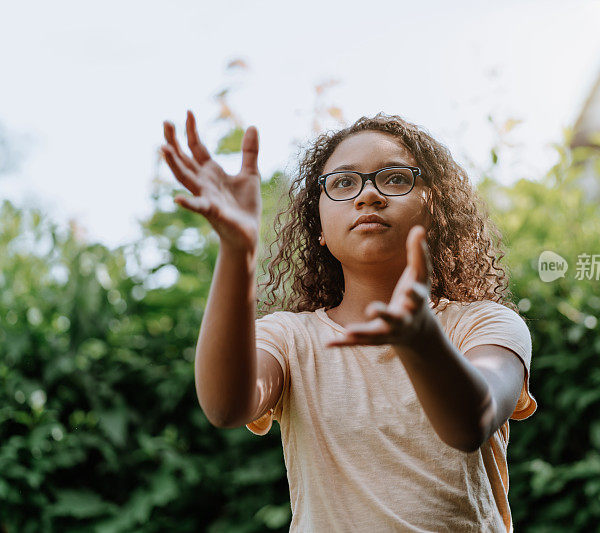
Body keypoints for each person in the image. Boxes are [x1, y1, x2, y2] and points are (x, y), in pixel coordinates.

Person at [160, 110, 537, 532]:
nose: (368, 196)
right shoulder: (289, 338)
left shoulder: (484, 325)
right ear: (318, 225)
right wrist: (236, 251)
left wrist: (421, 340)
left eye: (395, 178)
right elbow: (226, 406)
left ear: (436, 209)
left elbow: (472, 421)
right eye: (343, 182)